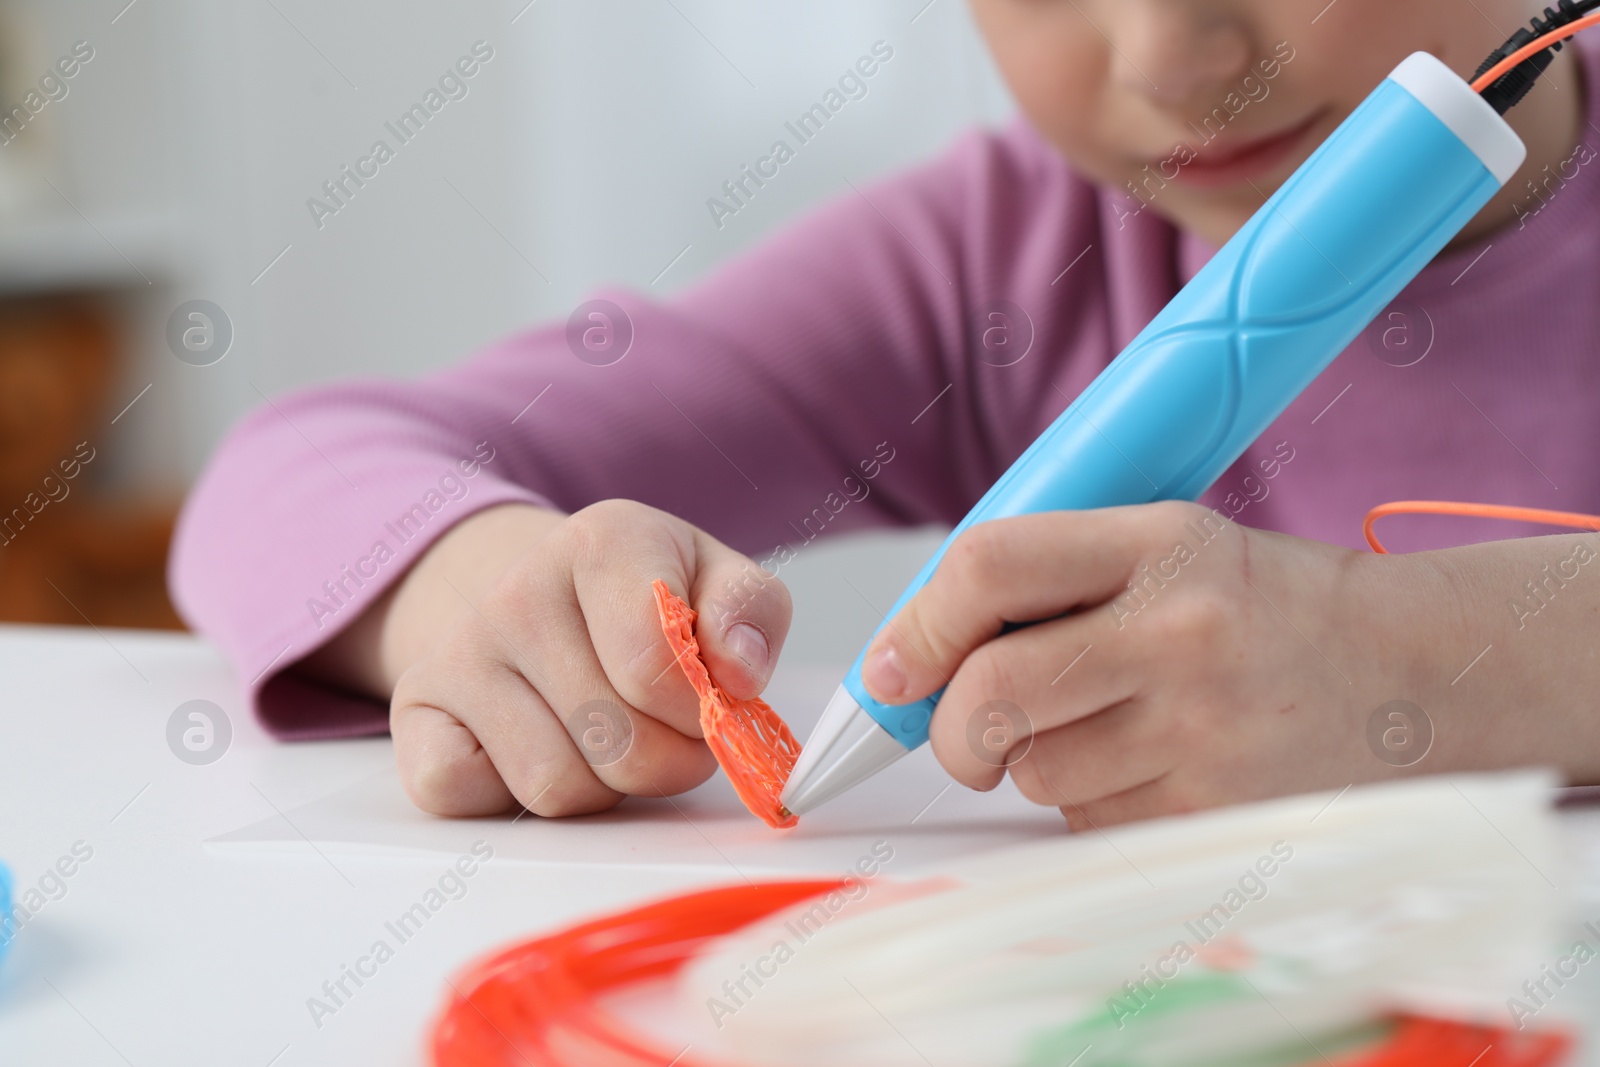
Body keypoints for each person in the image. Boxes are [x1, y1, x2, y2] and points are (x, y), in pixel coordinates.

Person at [171, 0, 1600, 828]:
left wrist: (1428, 664)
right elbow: (283, 472)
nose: (1171, 53)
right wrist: (467, 586)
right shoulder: (1001, 258)